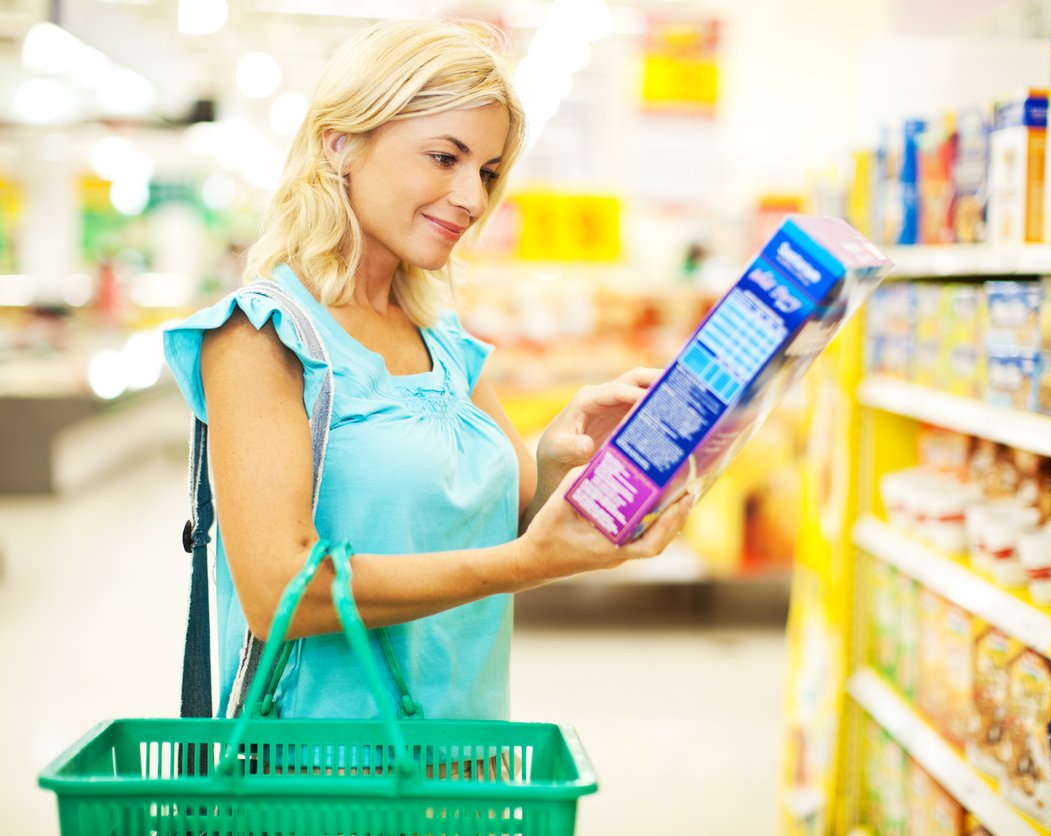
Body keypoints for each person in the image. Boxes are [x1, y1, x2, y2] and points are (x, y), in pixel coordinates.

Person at [163, 18, 691, 722]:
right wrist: (532, 564)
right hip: (321, 779)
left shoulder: (442, 339)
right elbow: (280, 590)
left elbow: (498, 531)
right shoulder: (263, 338)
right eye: (445, 158)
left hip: (465, 762)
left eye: (488, 171)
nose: (473, 199)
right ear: (341, 143)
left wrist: (561, 458)